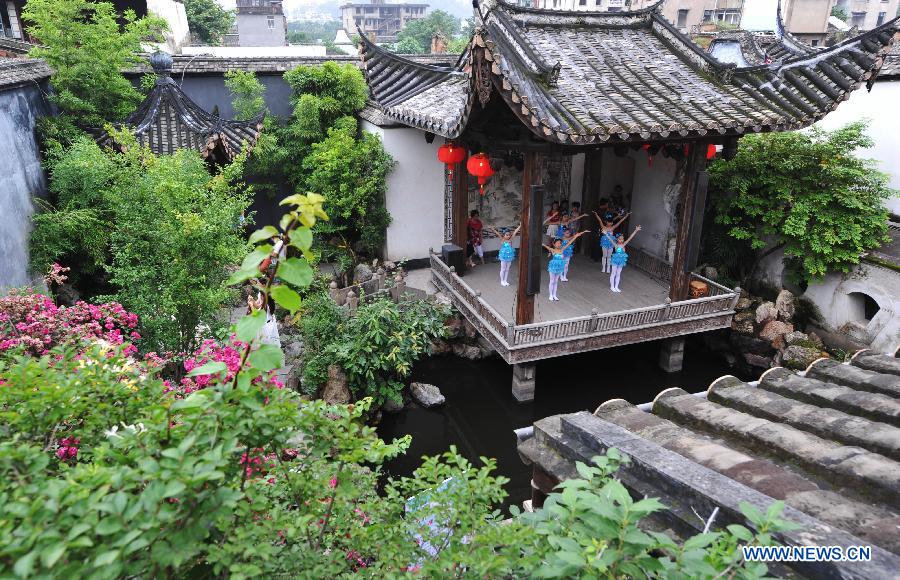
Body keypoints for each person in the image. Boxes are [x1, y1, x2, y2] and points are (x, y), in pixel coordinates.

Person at [543, 232, 588, 301]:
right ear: (554, 244)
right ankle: (550, 295)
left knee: (556, 281)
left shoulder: (562, 249)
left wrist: (576, 236)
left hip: (559, 267)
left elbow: (569, 243)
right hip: (553, 267)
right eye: (557, 243)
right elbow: (544, 245)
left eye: (560, 243)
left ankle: (554, 295)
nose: (559, 244)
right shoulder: (553, 250)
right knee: (552, 281)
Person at [609, 225, 642, 293]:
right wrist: (606, 234)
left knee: (618, 274)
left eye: (622, 239)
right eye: (620, 239)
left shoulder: (624, 244)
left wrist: (636, 230)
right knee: (613, 273)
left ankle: (616, 286)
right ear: (617, 239)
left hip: (621, 261)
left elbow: (630, 238)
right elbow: (610, 239)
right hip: (615, 260)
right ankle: (612, 286)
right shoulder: (616, 245)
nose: (621, 240)